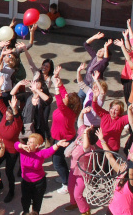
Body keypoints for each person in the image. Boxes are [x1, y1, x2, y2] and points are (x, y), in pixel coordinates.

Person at [15, 133, 68, 215]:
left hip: (39, 182)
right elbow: (16, 144)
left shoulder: (40, 153)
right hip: (26, 181)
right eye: (28, 141)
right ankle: (25, 213)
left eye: (31, 142)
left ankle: (35, 213)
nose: (28, 143)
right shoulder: (23, 151)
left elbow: (50, 151)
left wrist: (57, 144)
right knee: (25, 200)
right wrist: (22, 146)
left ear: (37, 146)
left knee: (37, 201)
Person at [51, 66, 81, 194]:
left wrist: (56, 87)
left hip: (62, 139)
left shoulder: (66, 111)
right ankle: (66, 177)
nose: (66, 96)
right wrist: (58, 78)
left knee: (57, 162)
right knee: (60, 160)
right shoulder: (68, 108)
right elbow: (63, 92)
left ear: (69, 103)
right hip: (60, 137)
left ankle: (66, 183)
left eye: (68, 97)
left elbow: (59, 98)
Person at [96, 128, 133, 215]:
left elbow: (131, 173)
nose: (122, 163)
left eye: (125, 164)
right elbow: (109, 156)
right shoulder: (121, 173)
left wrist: (132, 160)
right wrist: (102, 139)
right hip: (111, 209)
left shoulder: (131, 185)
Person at [0, 79, 22, 203]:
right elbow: (0, 102)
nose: (7, 115)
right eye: (8, 113)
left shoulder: (17, 123)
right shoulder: (5, 115)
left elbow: (16, 116)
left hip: (11, 151)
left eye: (10, 113)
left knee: (9, 172)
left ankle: (11, 191)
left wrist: (15, 109)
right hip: (0, 147)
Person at [64, 115, 97, 214]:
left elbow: (86, 146)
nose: (83, 131)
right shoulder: (80, 137)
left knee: (78, 194)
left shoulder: (89, 147)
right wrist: (82, 112)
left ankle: (85, 211)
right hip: (74, 169)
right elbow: (80, 122)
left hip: (83, 173)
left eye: (85, 132)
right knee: (70, 188)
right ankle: (74, 203)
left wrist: (86, 133)